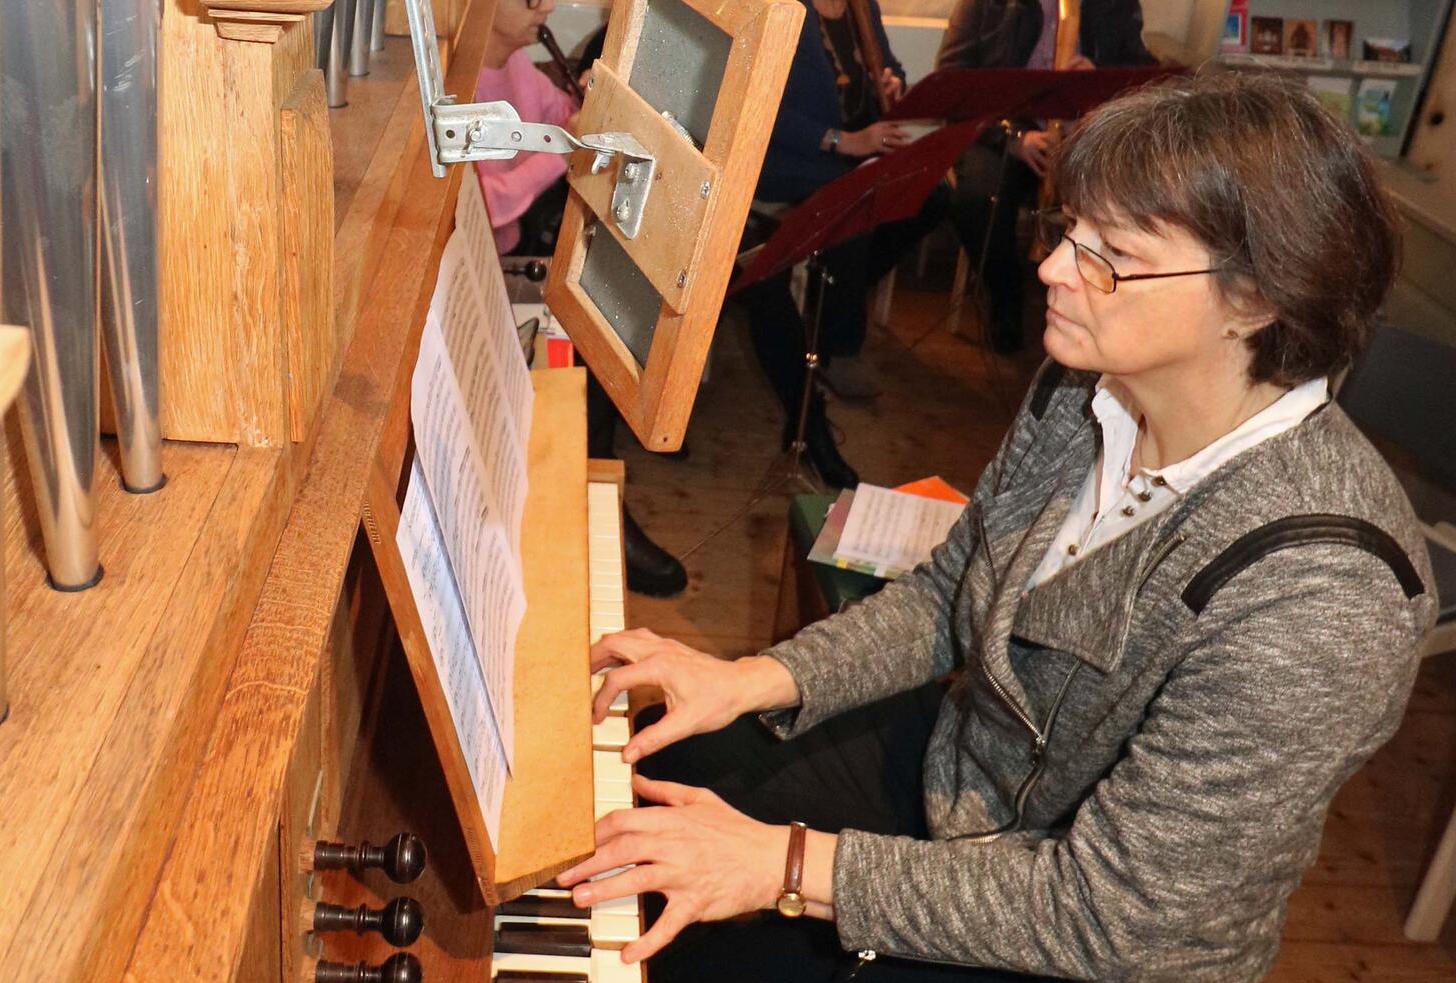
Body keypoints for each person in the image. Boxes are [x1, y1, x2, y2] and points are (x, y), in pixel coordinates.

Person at [558, 74, 1436, 983]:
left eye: (1112, 257)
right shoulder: (1087, 383)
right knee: (653, 783)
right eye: (1070, 230)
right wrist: (752, 679)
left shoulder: (1325, 598)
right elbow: (950, 595)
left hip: (1102, 962)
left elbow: (1102, 911)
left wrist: (785, 868)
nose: (1055, 267)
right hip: (971, 771)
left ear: (1256, 300)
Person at [474, 0, 690, 597]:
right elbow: (483, 202)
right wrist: (562, 150)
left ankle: (592, 496)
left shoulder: (519, 66)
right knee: (590, 351)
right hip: (475, 276)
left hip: (514, 268)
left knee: (610, 317)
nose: (544, 5)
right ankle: (583, 507)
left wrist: (595, 108)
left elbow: (566, 122)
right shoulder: (451, 78)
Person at [740, 0, 951, 489]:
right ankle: (834, 340)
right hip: (788, 162)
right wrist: (844, 141)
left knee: (932, 196)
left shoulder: (862, 6)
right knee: (852, 216)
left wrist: (892, 81)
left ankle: (835, 301)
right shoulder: (779, 8)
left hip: (854, 154)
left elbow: (889, 65)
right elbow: (760, 105)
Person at [937, 0, 1154, 354]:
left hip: (1084, 137)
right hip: (1005, 135)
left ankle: (1102, 319)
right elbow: (952, 79)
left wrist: (1096, 87)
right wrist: (1012, 138)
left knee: (1129, 203)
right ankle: (1005, 298)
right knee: (976, 199)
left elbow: (1141, 75)